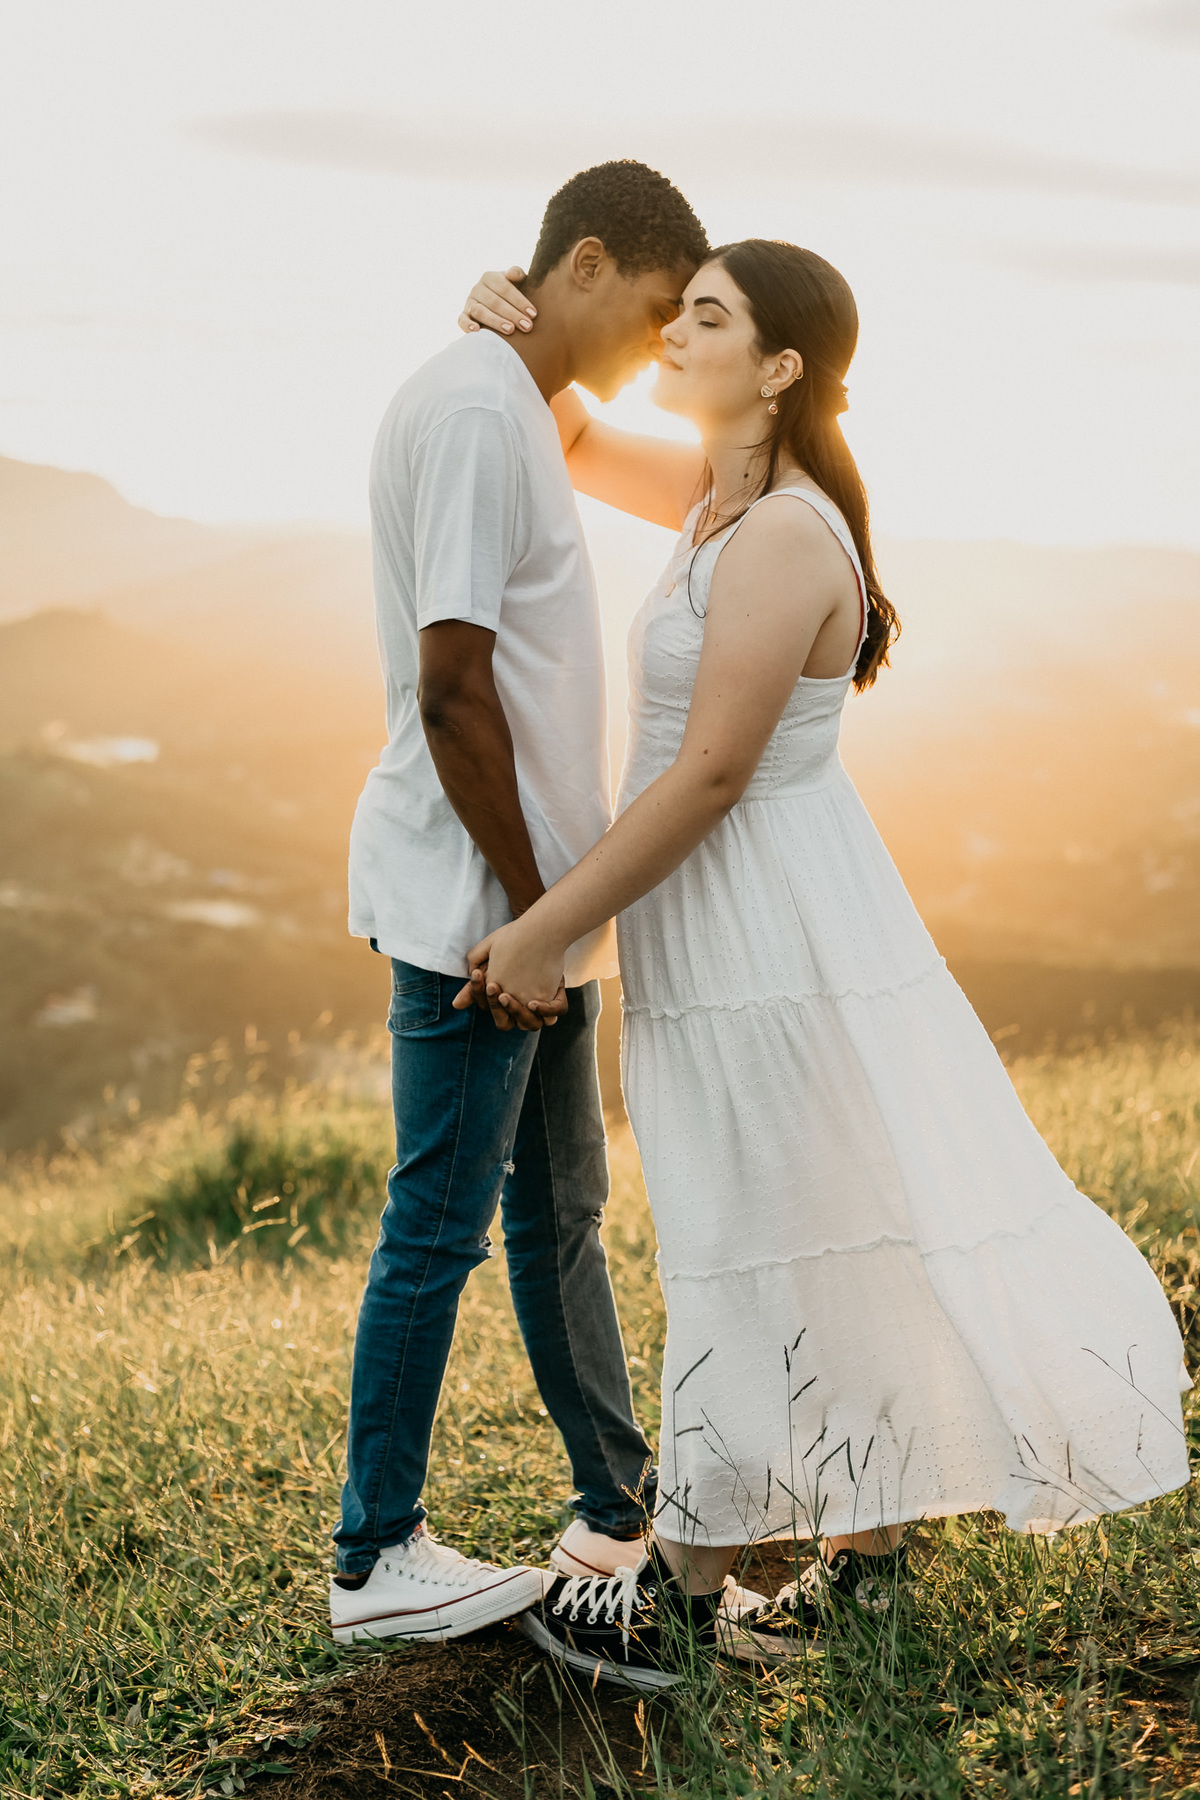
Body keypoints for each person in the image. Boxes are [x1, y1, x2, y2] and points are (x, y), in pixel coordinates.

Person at [453, 241, 1192, 1687]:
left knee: (745, 1224)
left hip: (767, 920)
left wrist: (553, 925)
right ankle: (863, 1568)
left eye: (709, 316)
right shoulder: (720, 497)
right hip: (740, 916)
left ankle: (675, 1598)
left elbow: (714, 770)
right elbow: (571, 428)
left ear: (780, 366)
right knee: (815, 1203)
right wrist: (498, 310)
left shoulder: (787, 533)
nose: (676, 329)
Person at [330, 161, 709, 1646]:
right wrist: (535, 916)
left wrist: (562, 913)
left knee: (561, 1217)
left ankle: (613, 1507)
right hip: (490, 916)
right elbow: (450, 684)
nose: (664, 344)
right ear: (592, 263)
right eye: (661, 310)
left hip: (540, 905)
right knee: (440, 1226)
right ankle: (375, 1560)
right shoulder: (486, 409)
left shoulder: (506, 397)